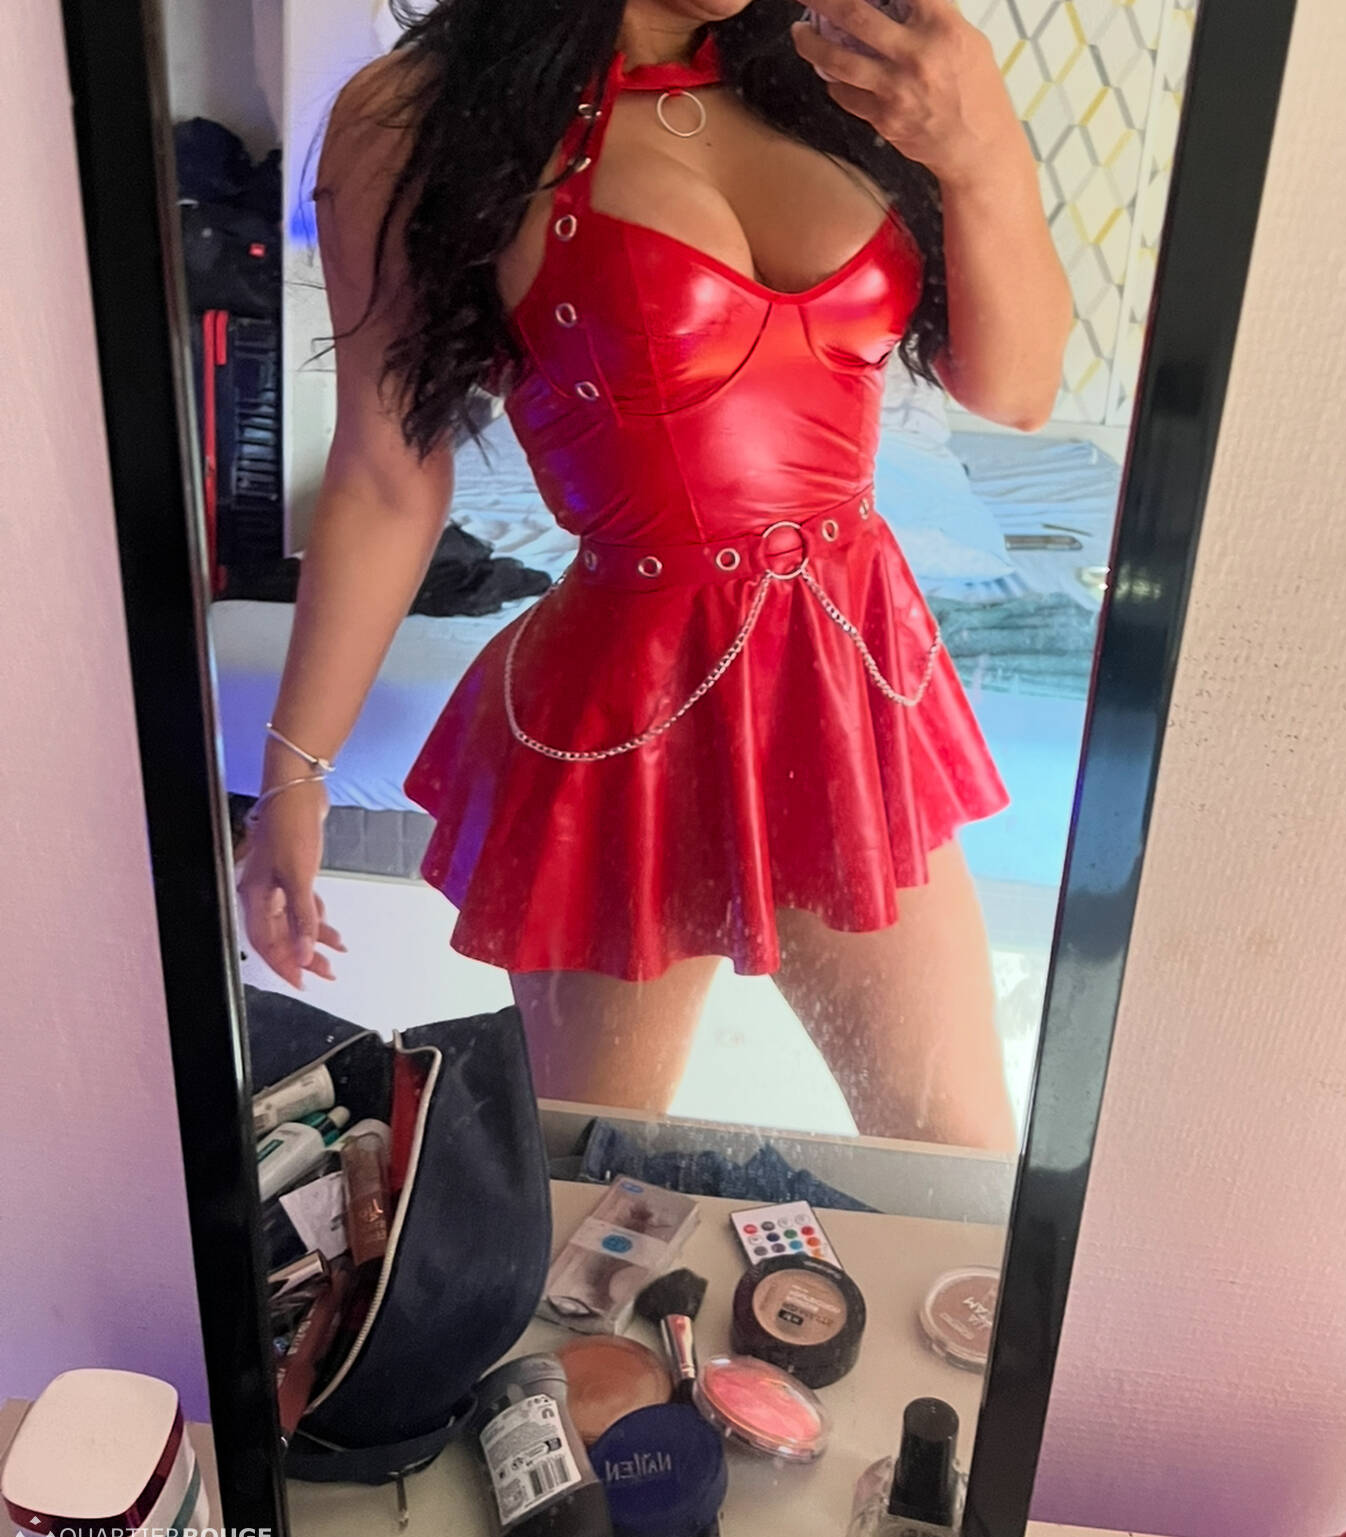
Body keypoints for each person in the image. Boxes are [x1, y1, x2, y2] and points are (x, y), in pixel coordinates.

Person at [239, 0, 1072, 1151]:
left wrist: (982, 152)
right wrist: (293, 777)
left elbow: (1016, 391)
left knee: (961, 1163)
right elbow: (386, 477)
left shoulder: (832, 65)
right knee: (587, 1171)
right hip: (629, 717)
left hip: (852, 686)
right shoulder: (418, 113)